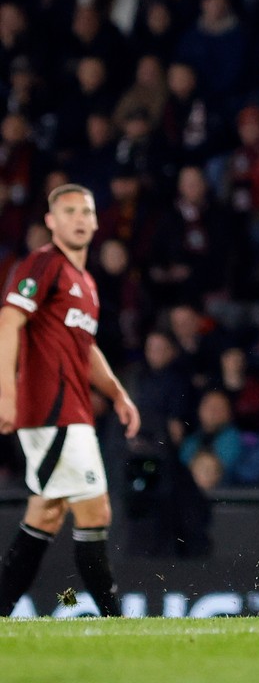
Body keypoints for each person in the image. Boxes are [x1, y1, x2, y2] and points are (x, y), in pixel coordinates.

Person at [0, 184, 141, 617]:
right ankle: (117, 620)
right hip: (51, 411)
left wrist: (116, 391)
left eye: (86, 211)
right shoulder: (43, 264)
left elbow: (86, 347)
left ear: (97, 221)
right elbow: (9, 319)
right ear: (51, 221)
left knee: (46, 514)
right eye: (69, 211)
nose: (79, 218)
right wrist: (5, 391)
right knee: (95, 508)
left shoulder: (87, 282)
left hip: (71, 411)